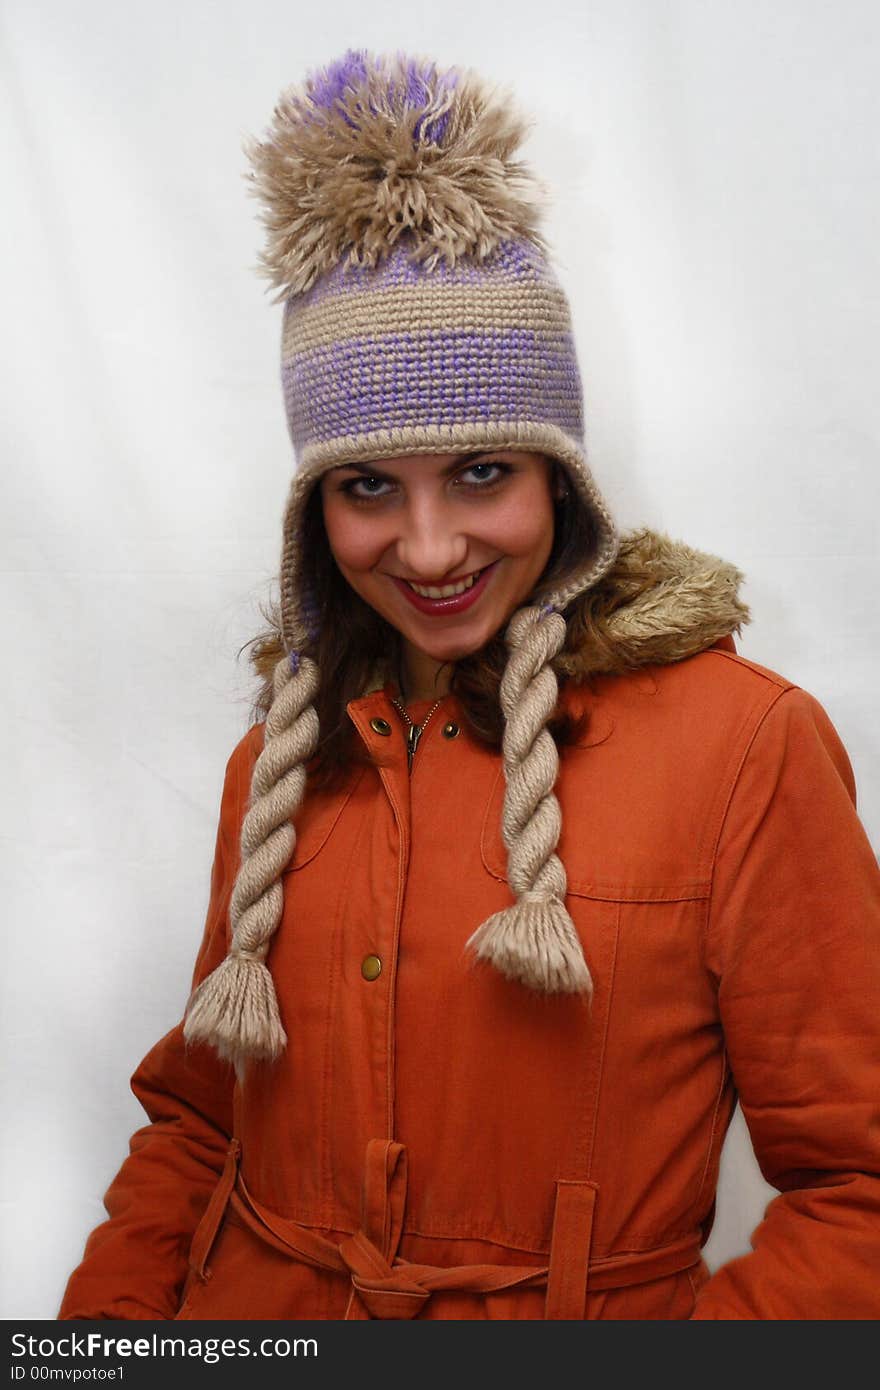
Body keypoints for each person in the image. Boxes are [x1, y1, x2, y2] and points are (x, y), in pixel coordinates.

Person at [59, 49, 880, 1321]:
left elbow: (860, 1188)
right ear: (311, 507)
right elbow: (197, 1121)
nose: (429, 548)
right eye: (367, 486)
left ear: (563, 475)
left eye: (483, 471)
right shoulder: (281, 759)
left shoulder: (746, 748)